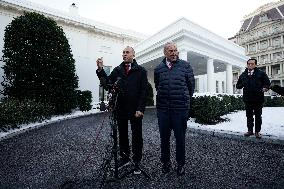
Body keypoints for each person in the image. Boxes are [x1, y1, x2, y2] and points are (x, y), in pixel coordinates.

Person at [96, 46, 148, 174]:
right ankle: (125, 158)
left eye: (127, 52)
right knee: (122, 135)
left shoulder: (141, 71)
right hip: (120, 108)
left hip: (136, 110)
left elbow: (144, 91)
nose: (124, 54)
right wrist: (101, 70)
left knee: (137, 136)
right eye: (123, 53)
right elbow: (107, 84)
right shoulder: (117, 70)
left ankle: (136, 160)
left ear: (133, 55)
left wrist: (140, 108)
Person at [154, 42, 195, 176]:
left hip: (180, 110)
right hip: (163, 110)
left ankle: (180, 164)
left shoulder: (185, 66)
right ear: (165, 53)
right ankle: (165, 162)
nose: (174, 53)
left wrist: (185, 102)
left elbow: (191, 87)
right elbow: (157, 85)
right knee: (164, 139)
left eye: (175, 50)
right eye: (171, 51)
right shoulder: (158, 68)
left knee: (180, 138)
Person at [236, 58, 270, 139]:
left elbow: (267, 83)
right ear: (247, 65)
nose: (250, 65)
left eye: (252, 64)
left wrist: (265, 88)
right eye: (249, 64)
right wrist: (243, 83)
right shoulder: (243, 75)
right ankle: (250, 130)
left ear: (255, 65)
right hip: (247, 98)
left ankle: (257, 132)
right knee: (249, 115)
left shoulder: (261, 73)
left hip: (258, 98)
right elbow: (238, 85)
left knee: (258, 116)